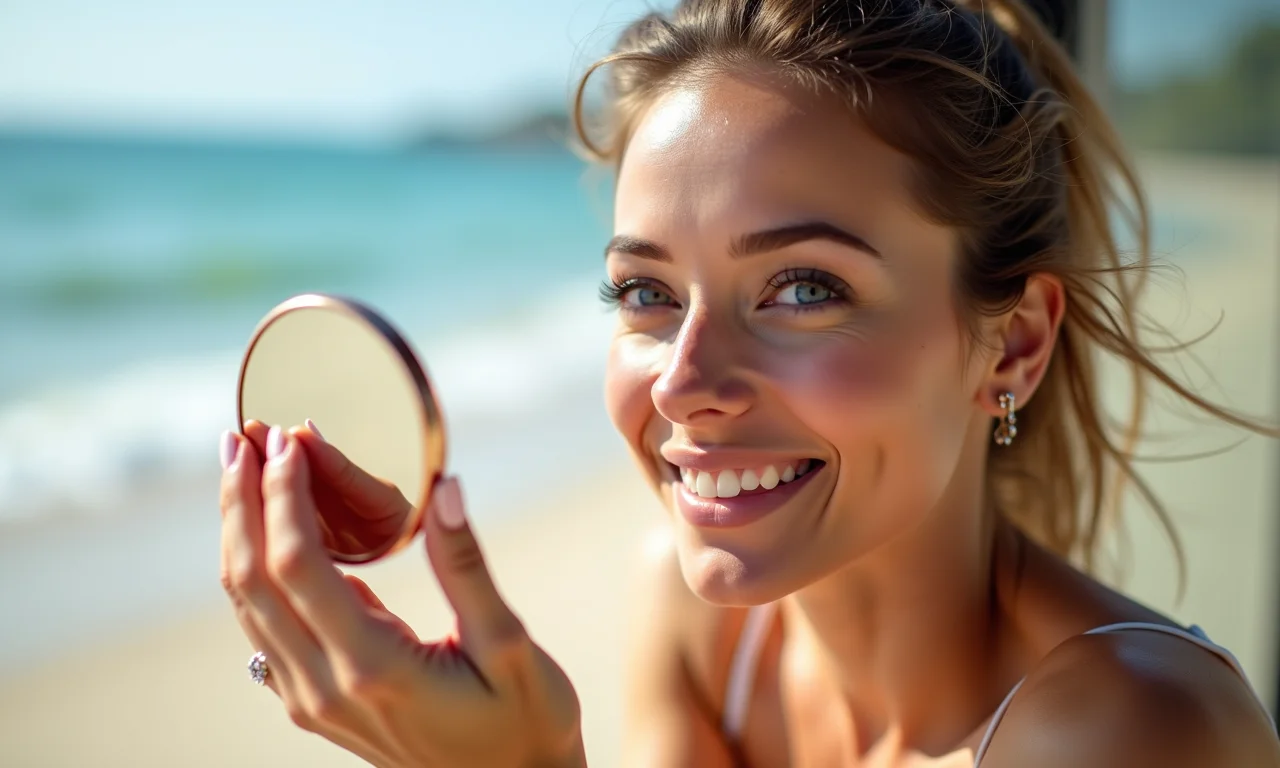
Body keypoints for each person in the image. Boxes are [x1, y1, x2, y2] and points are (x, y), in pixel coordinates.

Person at [217, 0, 1280, 765]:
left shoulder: (1133, 732)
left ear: (1010, 346)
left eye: (802, 287)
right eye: (643, 292)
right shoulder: (707, 626)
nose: (683, 381)